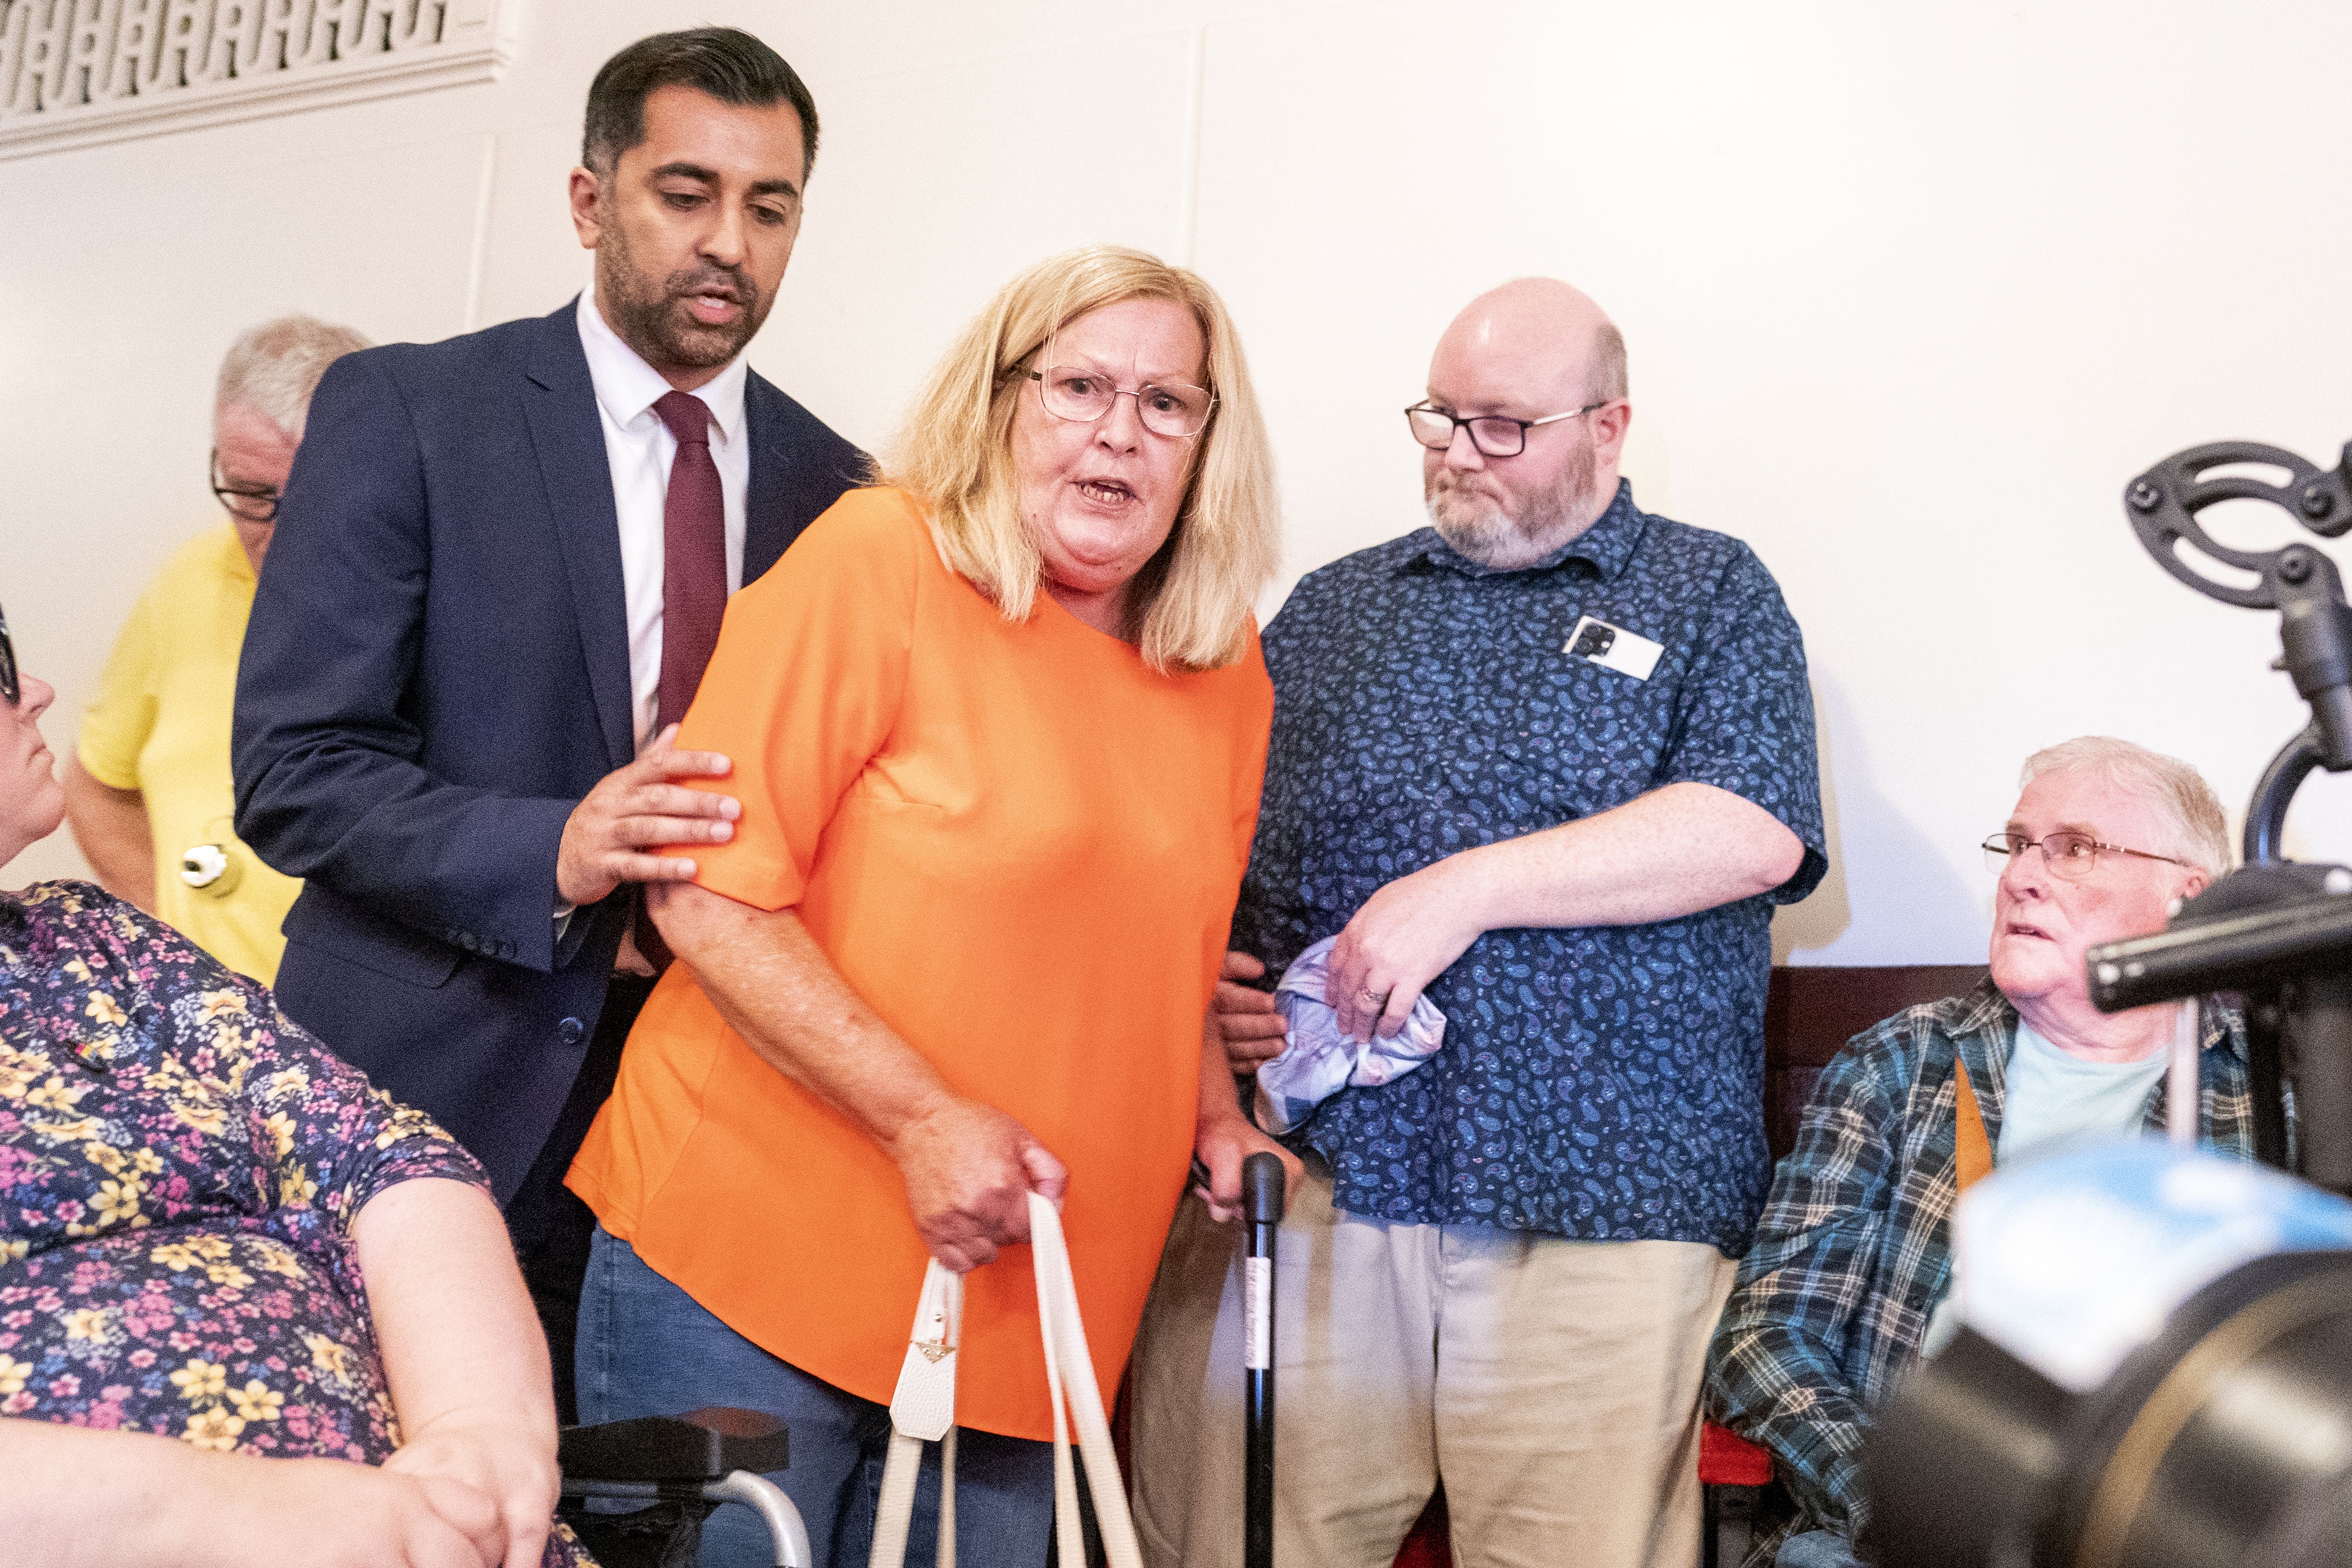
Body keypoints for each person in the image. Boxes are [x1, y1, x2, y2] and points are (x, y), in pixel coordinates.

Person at [563, 244, 1289, 1567]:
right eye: (1077, 387)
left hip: (1036, 1305)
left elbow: (1164, 944)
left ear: (1205, 444)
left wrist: (1215, 1119)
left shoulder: (1221, 658)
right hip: (752, 1263)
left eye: (1166, 403)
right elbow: (706, 899)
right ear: (999, 400)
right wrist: (919, 1114)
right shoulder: (880, 560)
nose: (1117, 432)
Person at [1128, 277, 1828, 1568]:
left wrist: (1459, 891)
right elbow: (1222, 860)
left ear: (1609, 428)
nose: (1456, 449)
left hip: (1602, 1205)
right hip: (1331, 1182)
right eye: (1439, 415)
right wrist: (1222, 998)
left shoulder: (1710, 591)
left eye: (1502, 423)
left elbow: (1751, 828)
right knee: (1236, 1541)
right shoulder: (1331, 612)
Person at [232, 28, 865, 1418]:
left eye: (769, 208)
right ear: (591, 201)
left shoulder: (844, 492)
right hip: (421, 1101)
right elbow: (294, 771)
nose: (727, 244)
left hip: (708, 1143)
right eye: (684, 194)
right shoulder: (409, 411)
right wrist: (554, 849)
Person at [0, 608, 583, 1568]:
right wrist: (231, 1514)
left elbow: (388, 1159)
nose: (41, 691)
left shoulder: (90, 941)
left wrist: (478, 1432)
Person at [1707, 737, 2250, 1568]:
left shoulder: (2266, 1090)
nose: (2021, 875)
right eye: (2019, 843)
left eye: (2073, 848)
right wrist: (1901, 1510)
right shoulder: (1900, 1064)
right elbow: (1764, 1339)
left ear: (2186, 897)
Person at [63, 315, 370, 986]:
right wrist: (176, 958)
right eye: (253, 495)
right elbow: (97, 786)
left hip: (354, 1051)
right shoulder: (190, 577)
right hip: (211, 1034)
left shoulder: (445, 600)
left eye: (315, 496)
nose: (282, 534)